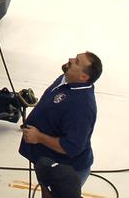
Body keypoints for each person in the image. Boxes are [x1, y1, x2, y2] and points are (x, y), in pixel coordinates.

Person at [19, 51, 102, 185]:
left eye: (76, 62)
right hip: (47, 159)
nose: (70, 59)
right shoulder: (66, 79)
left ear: (83, 76)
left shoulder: (82, 107)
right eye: (75, 57)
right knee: (46, 192)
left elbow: (71, 147)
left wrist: (39, 137)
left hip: (66, 170)